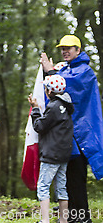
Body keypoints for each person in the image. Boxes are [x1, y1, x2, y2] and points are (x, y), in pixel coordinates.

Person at [40, 35, 103, 223]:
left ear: (78, 50)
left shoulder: (84, 71)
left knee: (76, 178)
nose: (65, 51)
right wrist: (52, 72)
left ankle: (82, 217)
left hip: (80, 136)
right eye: (62, 48)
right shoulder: (67, 69)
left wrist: (50, 71)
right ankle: (73, 216)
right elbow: (56, 88)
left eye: (69, 48)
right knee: (66, 179)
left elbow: (66, 88)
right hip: (67, 136)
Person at [28, 75, 73, 223]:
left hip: (52, 154)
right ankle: (63, 220)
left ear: (49, 91)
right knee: (61, 187)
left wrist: (35, 109)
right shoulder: (66, 104)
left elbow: (40, 126)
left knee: (43, 186)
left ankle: (45, 220)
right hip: (63, 154)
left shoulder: (53, 107)